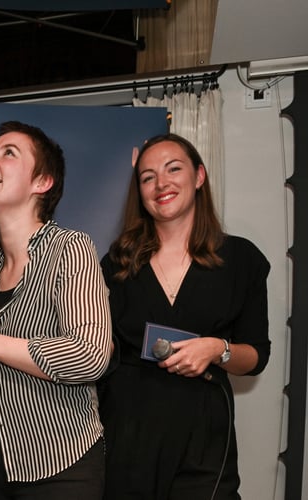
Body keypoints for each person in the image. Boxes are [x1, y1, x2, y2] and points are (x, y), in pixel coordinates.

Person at [98, 133, 271, 499]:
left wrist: (217, 349)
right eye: (147, 177)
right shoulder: (116, 263)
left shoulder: (242, 260)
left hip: (203, 435)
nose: (161, 183)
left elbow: (256, 357)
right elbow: (100, 350)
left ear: (199, 176)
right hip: (128, 431)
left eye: (173, 169)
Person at [0, 121, 112, 499]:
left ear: (43, 182)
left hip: (57, 462)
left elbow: (90, 355)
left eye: (8, 154)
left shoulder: (70, 248)